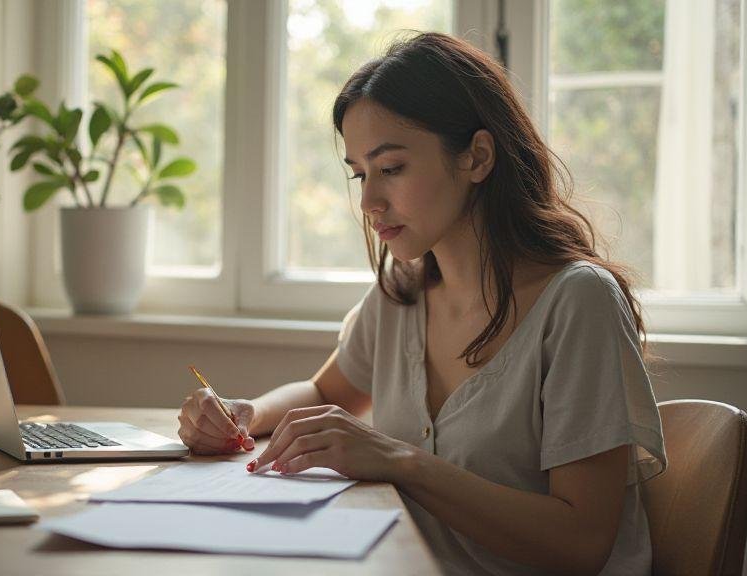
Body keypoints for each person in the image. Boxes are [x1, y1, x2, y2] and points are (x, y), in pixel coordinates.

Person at [177, 32, 666, 576]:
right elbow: (324, 391)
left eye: (391, 168)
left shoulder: (578, 302)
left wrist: (402, 462)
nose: (368, 201)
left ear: (477, 157)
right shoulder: (402, 292)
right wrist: (249, 411)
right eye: (360, 173)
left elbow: (579, 545)